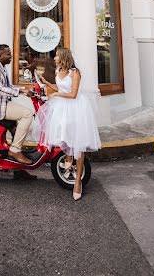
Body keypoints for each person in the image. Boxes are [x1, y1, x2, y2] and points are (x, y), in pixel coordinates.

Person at [32, 47, 101, 200]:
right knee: (63, 136)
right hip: (62, 108)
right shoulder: (58, 70)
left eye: (56, 56)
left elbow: (73, 93)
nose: (54, 58)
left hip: (76, 108)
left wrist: (55, 94)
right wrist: (47, 83)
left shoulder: (74, 72)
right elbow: (60, 87)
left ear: (63, 57)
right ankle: (68, 159)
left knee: (78, 143)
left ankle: (77, 182)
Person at [0, 44, 35, 172]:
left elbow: (8, 86)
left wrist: (23, 89)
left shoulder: (2, 67)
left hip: (1, 104)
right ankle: (15, 151)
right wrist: (21, 92)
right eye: (8, 54)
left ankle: (19, 171)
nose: (11, 56)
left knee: (18, 131)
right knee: (27, 114)